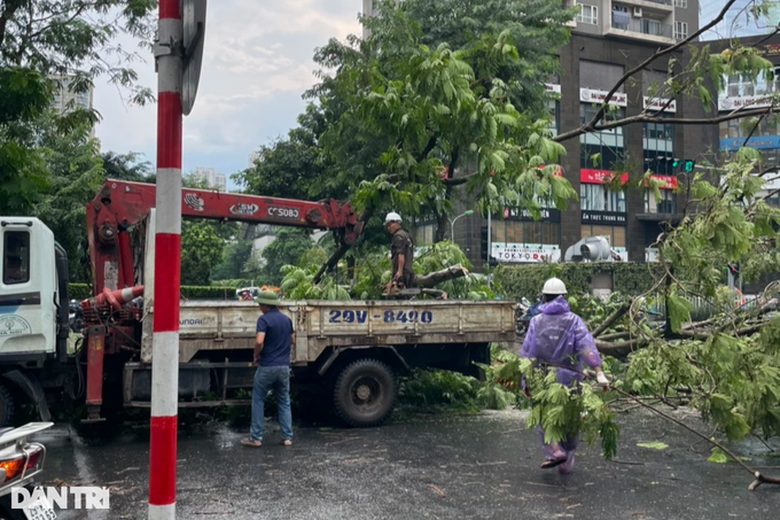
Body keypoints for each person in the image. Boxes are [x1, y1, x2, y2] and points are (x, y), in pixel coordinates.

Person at [519, 277, 609, 474]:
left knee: (545, 417)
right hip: (570, 379)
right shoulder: (574, 320)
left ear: (544, 297)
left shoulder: (536, 321)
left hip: (542, 379)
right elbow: (586, 346)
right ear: (563, 297)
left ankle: (554, 450)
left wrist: (525, 380)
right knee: (570, 417)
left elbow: (527, 353)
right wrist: (598, 372)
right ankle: (566, 459)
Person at [241, 290, 295, 448]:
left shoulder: (263, 320)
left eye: (260, 304)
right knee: (284, 401)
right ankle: (287, 438)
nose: (259, 307)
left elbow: (259, 341)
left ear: (266, 305)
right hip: (284, 367)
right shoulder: (286, 320)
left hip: (267, 366)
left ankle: (256, 438)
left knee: (258, 399)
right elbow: (292, 339)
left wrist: (256, 354)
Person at [383, 212, 415, 293]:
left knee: (400, 296)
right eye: (387, 226)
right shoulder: (407, 235)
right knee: (407, 295)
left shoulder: (398, 236)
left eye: (390, 225)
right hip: (408, 271)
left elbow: (401, 255)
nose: (389, 228)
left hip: (401, 274)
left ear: (397, 223)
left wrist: (399, 272)